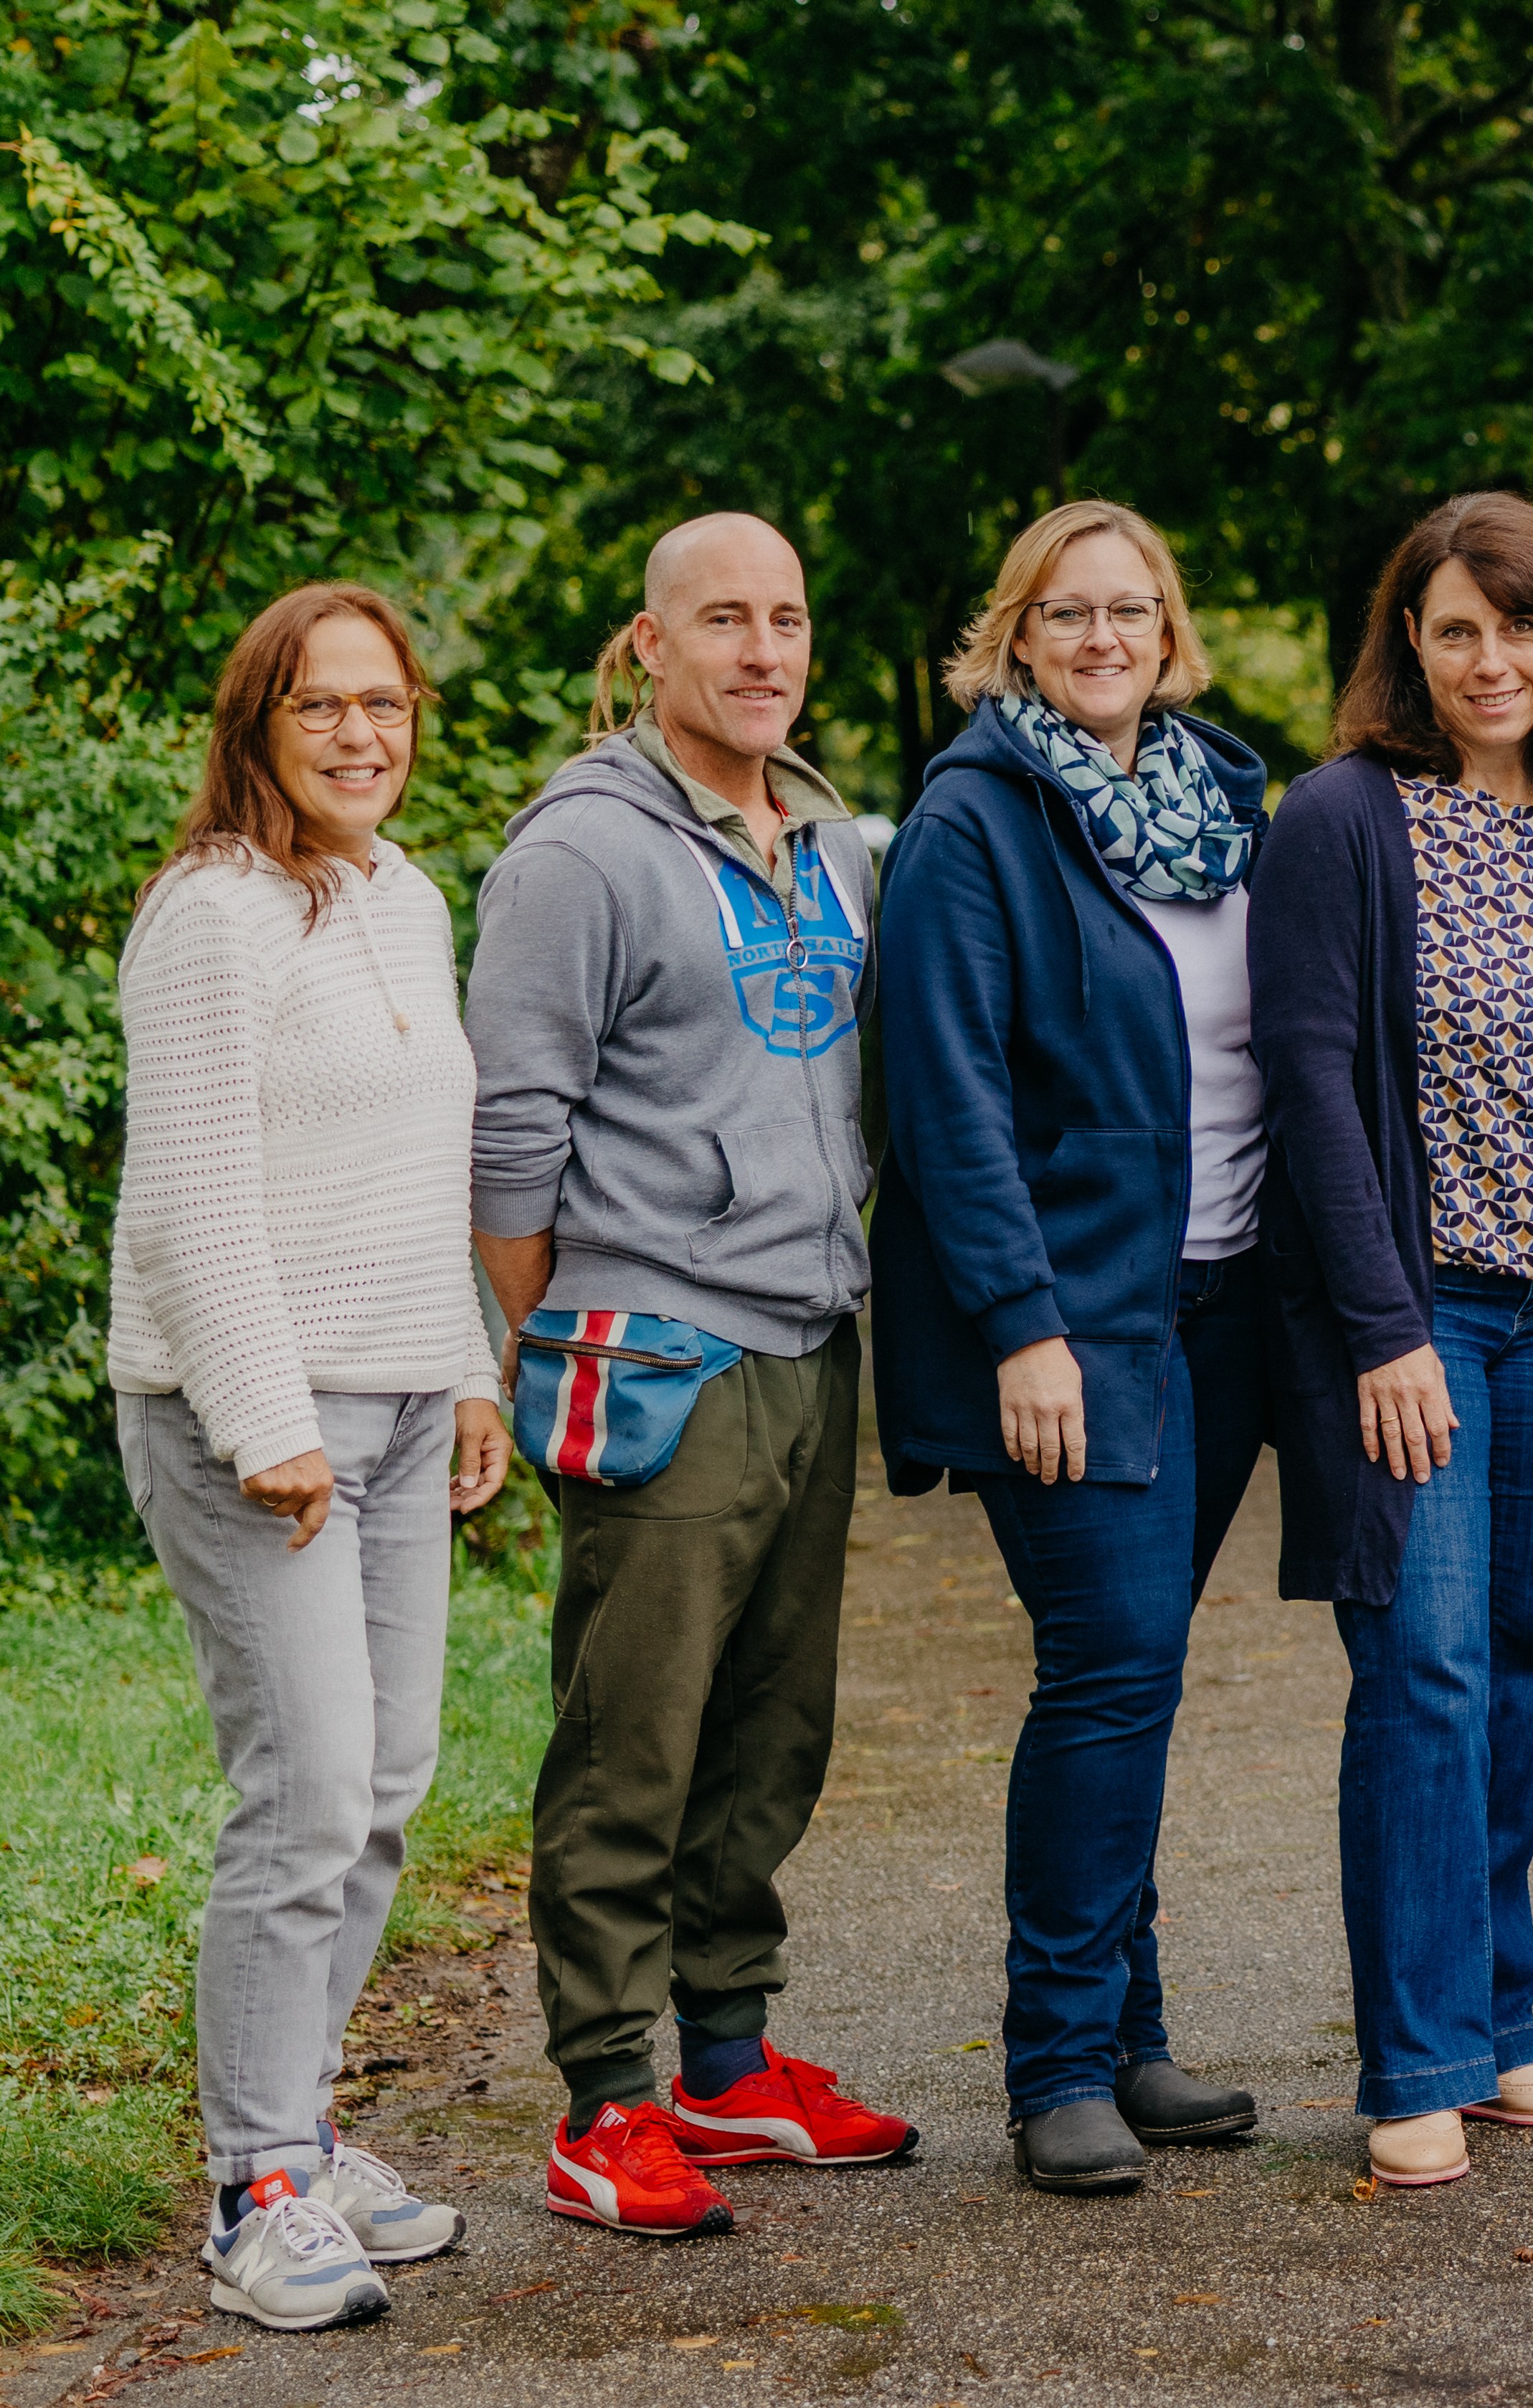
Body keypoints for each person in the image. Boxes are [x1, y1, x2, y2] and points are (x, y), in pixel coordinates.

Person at [472, 515, 916, 2236]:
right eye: (723, 618)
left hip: (808, 1333)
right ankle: (604, 2097)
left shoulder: (825, 833)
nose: (762, 649)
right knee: (632, 1741)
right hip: (659, 1346)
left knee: (770, 1729)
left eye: (785, 617)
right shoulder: (581, 851)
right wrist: (563, 1330)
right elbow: (513, 1133)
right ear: (650, 645)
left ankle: (728, 2062)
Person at [112, 587, 511, 2331]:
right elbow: (185, 1198)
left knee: (388, 1781)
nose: (361, 734)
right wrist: (264, 1418)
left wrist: (468, 1370)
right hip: (253, 1420)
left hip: (405, 1404)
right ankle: (252, 2184)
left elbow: (423, 1172)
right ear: (256, 726)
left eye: (385, 702)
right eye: (320, 706)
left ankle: (303, 2127)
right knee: (306, 1793)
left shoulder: (407, 894)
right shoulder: (212, 914)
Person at [871, 500, 1281, 2196]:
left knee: (1139, 1672)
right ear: (1018, 635)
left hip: (1224, 1310)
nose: (1102, 637)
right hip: (1068, 1320)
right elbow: (944, 1092)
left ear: (1170, 632)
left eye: (1130, 609)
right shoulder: (972, 819)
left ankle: (1130, 2033)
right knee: (1107, 1663)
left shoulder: (1225, 809)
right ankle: (1054, 2062)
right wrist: (1021, 1324)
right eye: (1067, 612)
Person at [1256, 493, 1533, 2191]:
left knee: (1528, 1668)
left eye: (1522, 625)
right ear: (1407, 645)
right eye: (1457, 629)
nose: (1493, 659)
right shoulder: (1341, 818)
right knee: (1420, 1674)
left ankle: (1495, 2029)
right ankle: (1412, 2059)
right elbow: (1310, 1086)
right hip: (1419, 1319)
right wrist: (1382, 1326)